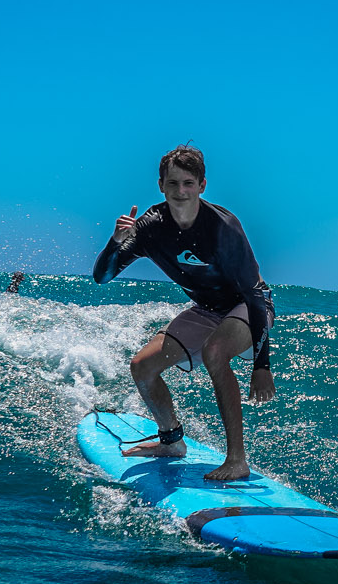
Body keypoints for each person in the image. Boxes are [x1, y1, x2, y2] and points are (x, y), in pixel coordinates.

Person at [93, 144, 275, 481]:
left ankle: (237, 460)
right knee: (142, 366)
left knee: (215, 351)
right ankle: (172, 441)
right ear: (161, 184)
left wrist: (262, 366)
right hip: (207, 309)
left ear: (202, 185)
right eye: (173, 183)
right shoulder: (150, 227)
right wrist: (115, 242)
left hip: (249, 307)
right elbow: (102, 277)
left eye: (188, 183)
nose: (180, 191)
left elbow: (252, 294)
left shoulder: (223, 226)